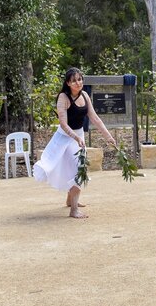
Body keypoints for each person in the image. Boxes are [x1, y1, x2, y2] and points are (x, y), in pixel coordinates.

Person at [33, 68, 118, 218]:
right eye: (74, 80)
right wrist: (76, 137)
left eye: (80, 79)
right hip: (64, 137)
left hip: (78, 138)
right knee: (77, 170)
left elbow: (95, 118)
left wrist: (108, 136)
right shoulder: (63, 98)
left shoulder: (85, 95)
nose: (78, 83)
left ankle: (70, 200)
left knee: (77, 168)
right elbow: (64, 124)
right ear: (68, 83)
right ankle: (74, 210)